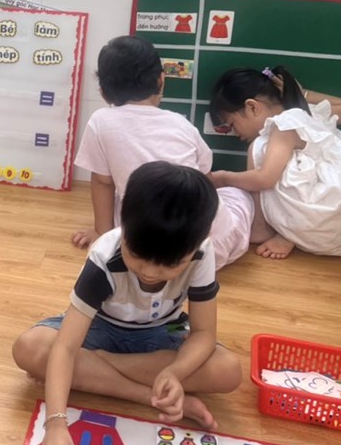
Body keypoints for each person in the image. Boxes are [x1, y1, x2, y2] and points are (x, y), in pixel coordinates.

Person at [13, 162, 241, 445]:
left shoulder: (202, 252)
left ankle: (95, 366)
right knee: (29, 348)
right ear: (125, 224)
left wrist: (174, 373)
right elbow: (65, 347)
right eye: (136, 255)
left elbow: (203, 333)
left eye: (169, 266)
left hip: (160, 334)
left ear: (195, 247)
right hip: (100, 329)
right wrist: (55, 423)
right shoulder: (104, 256)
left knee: (228, 371)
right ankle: (147, 395)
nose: (149, 272)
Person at [70, 36, 254, 270]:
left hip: (144, 247)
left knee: (122, 198)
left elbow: (102, 182)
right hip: (207, 248)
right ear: (161, 80)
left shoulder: (100, 121)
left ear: (103, 92)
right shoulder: (181, 124)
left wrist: (102, 234)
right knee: (238, 196)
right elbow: (205, 180)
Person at [208, 65, 341, 259]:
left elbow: (265, 178)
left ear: (253, 107)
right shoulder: (306, 114)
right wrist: (301, 94)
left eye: (232, 124)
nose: (236, 133)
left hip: (322, 213)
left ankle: (271, 230)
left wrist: (223, 178)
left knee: (258, 148)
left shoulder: (283, 126)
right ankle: (285, 231)